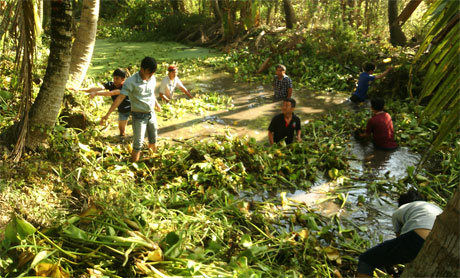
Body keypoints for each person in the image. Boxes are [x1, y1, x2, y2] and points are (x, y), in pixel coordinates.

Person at [357, 189, 443, 277]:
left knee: (366, 260)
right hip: (440, 245)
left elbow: (400, 240)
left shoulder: (400, 209)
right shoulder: (434, 207)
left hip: (417, 240)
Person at [101, 57, 162, 162]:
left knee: (153, 139)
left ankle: (153, 160)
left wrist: (156, 104)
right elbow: (120, 98)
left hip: (151, 114)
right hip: (139, 116)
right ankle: (134, 165)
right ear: (142, 69)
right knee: (138, 144)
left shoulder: (152, 78)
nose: (151, 75)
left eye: (153, 73)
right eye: (149, 72)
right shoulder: (131, 82)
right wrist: (107, 115)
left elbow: (151, 93)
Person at [70, 69, 130, 136]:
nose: (115, 80)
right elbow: (97, 88)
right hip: (123, 109)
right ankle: (122, 139)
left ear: (123, 79)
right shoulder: (111, 84)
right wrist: (79, 89)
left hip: (133, 107)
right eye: (114, 78)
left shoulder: (126, 87)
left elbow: (111, 93)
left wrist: (96, 93)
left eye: (117, 79)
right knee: (122, 131)